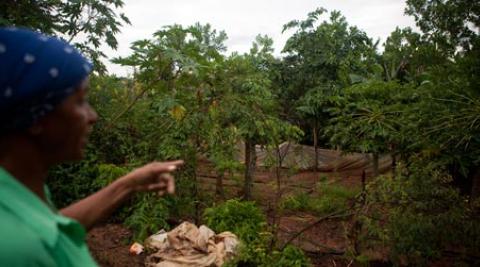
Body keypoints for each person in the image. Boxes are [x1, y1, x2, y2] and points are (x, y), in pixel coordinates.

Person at [0, 27, 183, 266]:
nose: (93, 116)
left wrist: (129, 184)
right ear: (35, 117)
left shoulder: (16, 193)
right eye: (80, 101)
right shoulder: (15, 251)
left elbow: (54, 227)